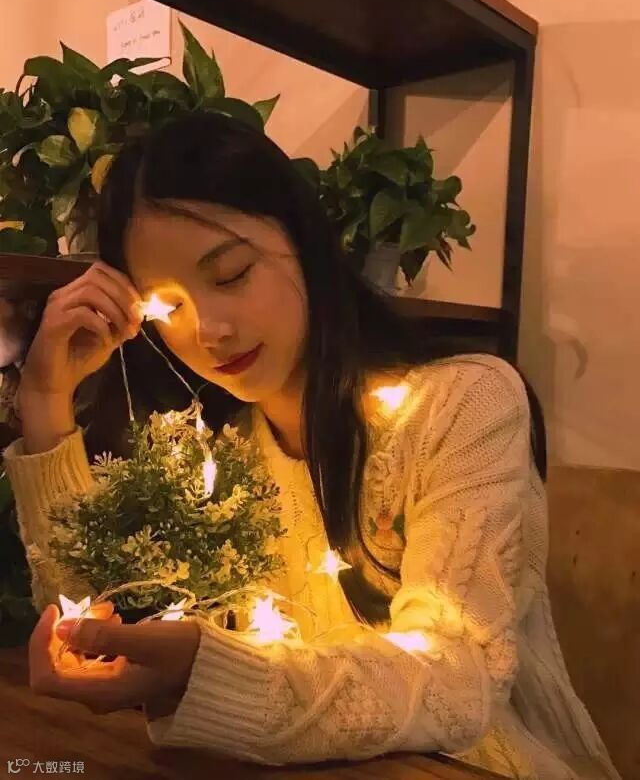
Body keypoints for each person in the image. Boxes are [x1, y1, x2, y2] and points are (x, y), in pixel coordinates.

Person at [4, 112, 619, 779]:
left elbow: (458, 680)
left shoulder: (461, 405)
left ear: (303, 240)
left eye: (231, 274)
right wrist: (45, 399)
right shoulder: (214, 455)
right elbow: (95, 616)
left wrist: (211, 673)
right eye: (169, 306)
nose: (209, 330)